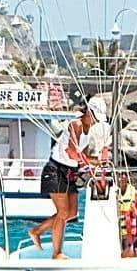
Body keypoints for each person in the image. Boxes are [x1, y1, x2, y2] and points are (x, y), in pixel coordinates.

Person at [30, 96, 108, 259]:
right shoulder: (76, 124)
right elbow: (71, 152)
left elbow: (83, 156)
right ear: (88, 112)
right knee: (63, 212)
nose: (95, 122)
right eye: (95, 117)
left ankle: (37, 231)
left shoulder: (87, 131)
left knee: (71, 213)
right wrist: (93, 161)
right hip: (55, 171)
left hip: (69, 172)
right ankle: (56, 253)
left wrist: (97, 162)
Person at [116, 170, 137, 257]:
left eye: (125, 174)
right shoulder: (111, 194)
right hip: (115, 236)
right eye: (120, 174)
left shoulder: (135, 194)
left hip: (132, 237)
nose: (123, 177)